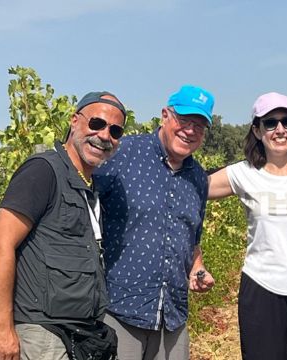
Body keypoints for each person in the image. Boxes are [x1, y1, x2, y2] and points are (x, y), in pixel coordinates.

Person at [0, 91, 127, 360]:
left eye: (115, 130)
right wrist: (3, 330)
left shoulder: (89, 185)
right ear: (75, 121)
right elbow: (0, 245)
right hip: (43, 334)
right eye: (96, 123)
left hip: (79, 333)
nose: (104, 135)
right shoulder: (43, 171)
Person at [93, 85, 216, 360]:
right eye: (184, 120)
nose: (190, 130)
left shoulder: (197, 178)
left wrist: (198, 268)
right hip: (120, 311)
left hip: (172, 317)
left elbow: (191, 239)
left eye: (199, 125)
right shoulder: (122, 154)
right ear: (165, 115)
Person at [208, 92, 287, 359]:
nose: (280, 130)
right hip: (261, 284)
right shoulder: (242, 173)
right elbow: (195, 188)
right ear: (256, 130)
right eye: (270, 123)